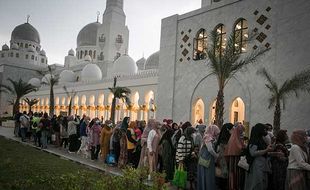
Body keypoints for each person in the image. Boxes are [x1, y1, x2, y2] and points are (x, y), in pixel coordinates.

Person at [244, 123, 274, 190]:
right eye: (264, 129)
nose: (265, 131)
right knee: (257, 182)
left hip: (262, 164)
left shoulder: (261, 139)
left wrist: (274, 153)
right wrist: (266, 150)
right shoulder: (254, 140)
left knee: (262, 183)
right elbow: (253, 153)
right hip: (257, 164)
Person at [197, 124, 220, 190]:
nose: (217, 134)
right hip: (207, 160)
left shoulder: (208, 137)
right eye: (216, 132)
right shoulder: (208, 137)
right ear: (213, 131)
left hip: (205, 159)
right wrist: (216, 156)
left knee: (205, 175)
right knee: (208, 176)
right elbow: (210, 149)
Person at [225, 122, 245, 190]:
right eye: (241, 131)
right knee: (235, 172)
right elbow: (239, 147)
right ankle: (233, 186)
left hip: (233, 158)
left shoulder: (234, 136)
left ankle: (232, 186)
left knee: (233, 172)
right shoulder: (236, 138)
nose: (242, 132)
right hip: (235, 158)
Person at [215, 123, 234, 190]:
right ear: (227, 129)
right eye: (232, 129)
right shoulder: (224, 140)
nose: (233, 130)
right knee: (223, 175)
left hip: (222, 160)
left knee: (221, 175)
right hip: (223, 160)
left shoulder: (223, 138)